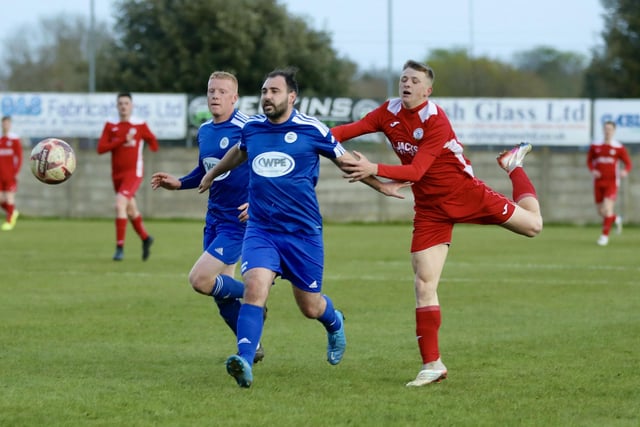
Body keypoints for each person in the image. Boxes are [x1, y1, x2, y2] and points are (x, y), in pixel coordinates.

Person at [332, 60, 543, 387]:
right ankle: (432, 364)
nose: (407, 84)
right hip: (430, 208)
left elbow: (416, 171)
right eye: (403, 79)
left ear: (427, 90)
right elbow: (342, 132)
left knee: (533, 226)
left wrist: (373, 166)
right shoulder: (387, 112)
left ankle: (513, 165)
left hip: (465, 193)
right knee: (423, 283)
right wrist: (309, 138)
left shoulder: (436, 119)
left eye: (415, 81)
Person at [198, 67, 408, 388]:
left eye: (274, 91)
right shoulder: (252, 127)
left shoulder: (313, 130)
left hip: (302, 233)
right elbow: (237, 153)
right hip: (261, 229)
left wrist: (382, 186)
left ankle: (334, 321)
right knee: (254, 287)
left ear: (292, 97)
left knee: (309, 307)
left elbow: (346, 162)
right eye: (265, 91)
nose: (267, 97)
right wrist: (211, 174)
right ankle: (244, 358)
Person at [150, 71, 265, 363]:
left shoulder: (247, 128)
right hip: (213, 218)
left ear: (234, 97)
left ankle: (254, 294)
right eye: (211, 90)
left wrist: (256, 202)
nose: (215, 96)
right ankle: (251, 346)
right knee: (222, 297)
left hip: (239, 222)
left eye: (222, 91)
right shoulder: (205, 130)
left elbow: (266, 169)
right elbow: (206, 171)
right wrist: (179, 182)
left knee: (201, 279)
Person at [97, 92, 159, 261]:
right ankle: (146, 238)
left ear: (131, 106)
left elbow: (153, 142)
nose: (123, 106)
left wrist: (146, 148)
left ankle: (119, 248)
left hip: (134, 173)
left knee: (119, 203)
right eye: (121, 103)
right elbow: (101, 148)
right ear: (117, 106)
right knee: (130, 210)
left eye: (126, 103)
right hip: (117, 175)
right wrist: (122, 140)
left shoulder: (139, 124)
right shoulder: (111, 125)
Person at [586, 120, 632, 246]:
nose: (608, 131)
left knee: (607, 209)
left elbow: (628, 163)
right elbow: (589, 161)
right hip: (598, 182)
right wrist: (593, 170)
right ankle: (616, 219)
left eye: (610, 129)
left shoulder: (618, 147)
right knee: (601, 212)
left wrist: (624, 171)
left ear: (614, 131)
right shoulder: (595, 146)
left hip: (612, 182)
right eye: (606, 129)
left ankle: (604, 237)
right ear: (603, 130)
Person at [0, 116, 22, 231]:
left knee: (9, 198)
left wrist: (16, 172)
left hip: (9, 174)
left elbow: (19, 157)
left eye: (8, 123)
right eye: (4, 123)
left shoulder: (14, 139)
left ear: (10, 125)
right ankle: (12, 211)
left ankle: (9, 221)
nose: (5, 125)